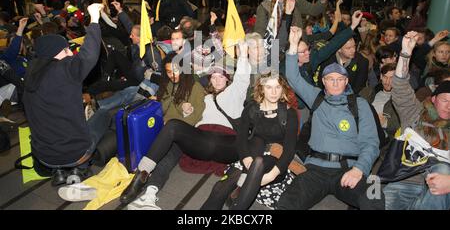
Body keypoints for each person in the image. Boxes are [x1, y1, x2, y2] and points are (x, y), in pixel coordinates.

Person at [120, 44, 251, 210]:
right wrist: (188, 112)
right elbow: (195, 121)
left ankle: (144, 181)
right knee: (173, 130)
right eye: (213, 77)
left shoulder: (235, 93)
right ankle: (144, 180)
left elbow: (243, 78)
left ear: (228, 79)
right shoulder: (206, 97)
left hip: (227, 143)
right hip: (202, 141)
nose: (217, 80)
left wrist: (243, 56)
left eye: (221, 76)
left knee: (176, 129)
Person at [278, 26, 384, 210]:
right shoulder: (316, 97)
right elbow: (293, 77)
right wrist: (293, 46)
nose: (335, 83)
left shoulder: (360, 104)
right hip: (315, 169)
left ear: (346, 81)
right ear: (324, 82)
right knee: (287, 202)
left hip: (349, 168)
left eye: (339, 79)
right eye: (330, 79)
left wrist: (359, 169)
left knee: (374, 196)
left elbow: (371, 143)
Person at [22, 3, 112, 185]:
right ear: (56, 54)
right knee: (104, 115)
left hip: (44, 157)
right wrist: (94, 18)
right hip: (74, 153)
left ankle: (60, 172)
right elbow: (89, 54)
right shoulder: (65, 70)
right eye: (66, 50)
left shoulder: (31, 74)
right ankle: (81, 168)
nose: (70, 52)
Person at [201, 72, 298, 210]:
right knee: (220, 188)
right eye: (269, 87)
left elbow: (289, 151)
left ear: (283, 89)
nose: (274, 92)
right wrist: (246, 158)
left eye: (277, 87)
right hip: (250, 157)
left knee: (258, 163)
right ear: (261, 88)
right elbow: (241, 139)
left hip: (276, 164)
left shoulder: (289, 113)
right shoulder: (251, 109)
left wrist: (271, 175)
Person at [384, 31, 450, 210]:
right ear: (434, 99)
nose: (449, 106)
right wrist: (405, 53)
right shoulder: (416, 112)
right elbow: (400, 87)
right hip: (405, 182)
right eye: (445, 100)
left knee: (443, 170)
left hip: (442, 188)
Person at [254, 0, 330, 55]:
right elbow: (259, 32)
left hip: (298, 44)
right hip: (275, 48)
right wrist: (260, 52)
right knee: (275, 67)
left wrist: (322, 1)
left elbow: (313, 10)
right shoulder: (264, 6)